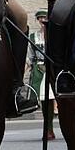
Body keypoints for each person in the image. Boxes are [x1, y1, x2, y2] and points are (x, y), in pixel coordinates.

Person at [28, 9, 55, 140]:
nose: (42, 20)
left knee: (52, 98)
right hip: (39, 69)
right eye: (40, 18)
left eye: (44, 18)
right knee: (44, 101)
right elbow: (30, 56)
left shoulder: (54, 36)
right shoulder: (33, 37)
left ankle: (50, 128)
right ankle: (48, 129)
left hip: (52, 69)